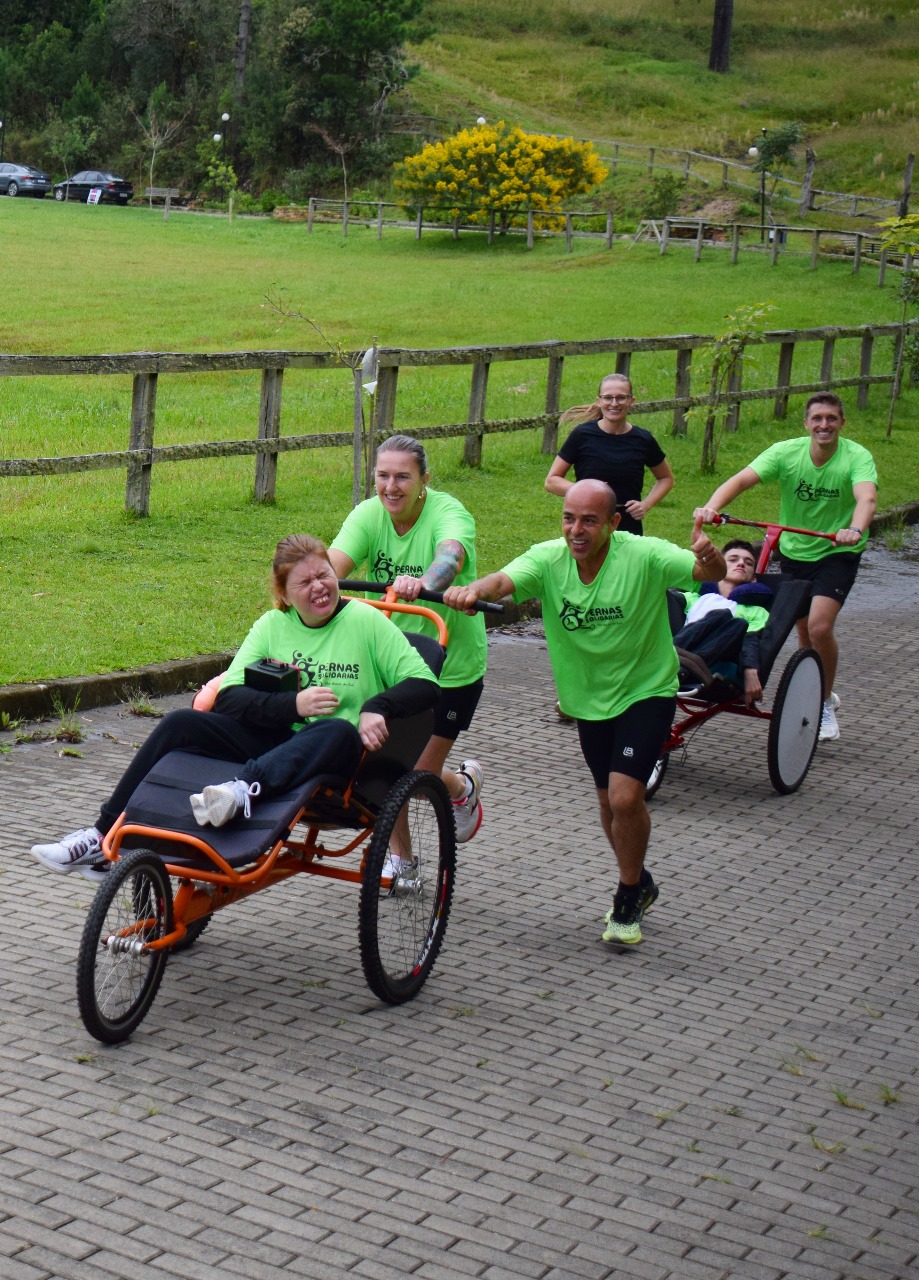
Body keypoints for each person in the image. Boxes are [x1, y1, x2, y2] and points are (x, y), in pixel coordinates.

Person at [31, 535, 439, 881]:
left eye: (324, 575)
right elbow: (230, 697)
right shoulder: (271, 627)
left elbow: (426, 685)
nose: (319, 587)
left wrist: (376, 706)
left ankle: (243, 788)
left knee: (335, 728)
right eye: (305, 582)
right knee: (180, 723)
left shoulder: (366, 622)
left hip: (338, 757)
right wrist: (293, 704)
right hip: (276, 738)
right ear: (283, 594)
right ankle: (100, 837)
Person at [443, 479, 726, 946]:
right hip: (588, 701)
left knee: (623, 799)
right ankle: (639, 878)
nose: (576, 530)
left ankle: (628, 895)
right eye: (569, 518)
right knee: (606, 805)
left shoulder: (644, 555)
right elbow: (502, 582)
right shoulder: (549, 558)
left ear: (614, 523)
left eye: (589, 520)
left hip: (646, 690)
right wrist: (471, 590)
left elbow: (704, 571)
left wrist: (711, 557)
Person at [329, 434, 488, 843]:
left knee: (418, 770)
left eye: (403, 477)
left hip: (448, 667)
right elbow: (334, 565)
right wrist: (310, 583)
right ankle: (400, 861)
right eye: (383, 476)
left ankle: (462, 789)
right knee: (385, 765)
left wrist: (425, 582)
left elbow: (450, 557)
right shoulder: (368, 514)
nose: (391, 487)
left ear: (424, 481)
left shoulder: (449, 512)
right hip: (389, 662)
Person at [694, 393, 877, 741]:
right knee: (804, 632)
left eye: (832, 419)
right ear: (806, 423)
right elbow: (741, 480)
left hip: (837, 553)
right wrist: (710, 508)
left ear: (842, 423)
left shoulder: (856, 456)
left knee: (820, 628)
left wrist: (854, 528)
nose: (824, 425)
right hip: (794, 552)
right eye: (817, 419)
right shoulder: (786, 452)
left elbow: (866, 497)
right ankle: (819, 685)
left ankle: (821, 704)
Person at [545, 373, 674, 535]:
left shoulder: (643, 439)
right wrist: (587, 491)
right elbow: (551, 481)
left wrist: (646, 504)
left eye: (621, 398)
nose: (614, 403)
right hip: (587, 523)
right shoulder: (582, 435)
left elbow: (666, 478)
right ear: (599, 401)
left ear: (631, 401)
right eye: (607, 398)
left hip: (628, 524)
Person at [673, 539, 773, 707]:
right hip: (682, 646)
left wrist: (751, 671)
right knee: (670, 598)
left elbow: (751, 640)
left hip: (715, 660)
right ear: (718, 567)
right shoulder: (695, 598)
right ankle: (671, 659)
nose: (741, 563)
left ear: (754, 579)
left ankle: (681, 666)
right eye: (733, 560)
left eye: (748, 563)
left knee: (734, 621)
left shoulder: (755, 611)